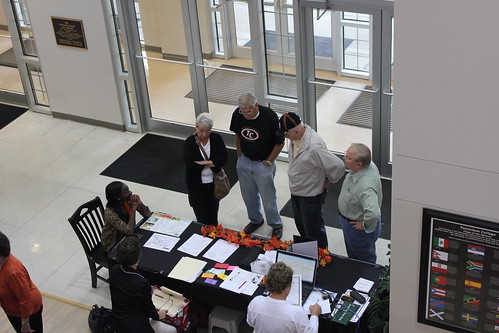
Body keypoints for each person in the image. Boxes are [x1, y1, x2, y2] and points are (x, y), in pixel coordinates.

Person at [279, 112, 345, 249]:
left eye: (286, 134)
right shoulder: (296, 138)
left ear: (296, 130)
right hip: (297, 191)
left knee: (314, 231)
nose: (285, 137)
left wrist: (327, 181)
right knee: (302, 226)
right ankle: (308, 252)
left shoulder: (314, 146)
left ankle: (321, 255)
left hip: (310, 196)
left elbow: (338, 166)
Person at [229, 92, 284, 239]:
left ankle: (276, 224)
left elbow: (280, 143)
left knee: (268, 198)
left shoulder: (270, 117)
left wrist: (270, 161)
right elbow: (237, 134)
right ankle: (255, 220)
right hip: (245, 160)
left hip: (263, 163)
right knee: (248, 195)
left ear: (256, 106)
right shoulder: (238, 113)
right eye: (243, 111)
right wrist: (240, 154)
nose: (245, 114)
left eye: (248, 111)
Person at [109, 236, 176, 333]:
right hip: (135, 326)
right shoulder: (141, 282)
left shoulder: (115, 270)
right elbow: (149, 309)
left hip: (117, 320)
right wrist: (158, 315)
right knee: (172, 330)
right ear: (138, 257)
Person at [338, 143, 382, 263]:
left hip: (357, 229)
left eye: (348, 158)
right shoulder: (368, 165)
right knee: (354, 255)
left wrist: (364, 225)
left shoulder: (366, 187)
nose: (344, 158)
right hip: (350, 223)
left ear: (359, 164)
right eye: (345, 154)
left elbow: (373, 213)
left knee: (364, 261)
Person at [247, 262, 321, 333]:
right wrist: (314, 315)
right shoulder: (296, 313)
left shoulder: (255, 302)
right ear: (287, 287)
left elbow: (250, 323)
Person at [184, 113, 228, 226]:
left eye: (207, 131)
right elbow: (190, 165)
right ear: (196, 128)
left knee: (213, 211)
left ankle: (214, 234)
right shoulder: (190, 142)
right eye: (201, 131)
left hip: (214, 183)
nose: (204, 134)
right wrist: (212, 163)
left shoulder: (216, 139)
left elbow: (223, 159)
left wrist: (204, 163)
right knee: (201, 215)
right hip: (196, 185)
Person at [0, 231, 43, 333]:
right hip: (11, 309)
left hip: (27, 313)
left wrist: (25, 324)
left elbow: (24, 300)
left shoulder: (13, 273)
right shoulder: (2, 263)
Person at [101, 181, 151, 254]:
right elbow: (129, 231)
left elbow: (148, 214)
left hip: (126, 236)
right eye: (126, 192)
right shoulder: (109, 212)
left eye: (129, 190)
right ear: (118, 197)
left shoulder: (127, 202)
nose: (130, 192)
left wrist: (140, 203)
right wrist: (133, 209)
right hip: (113, 243)